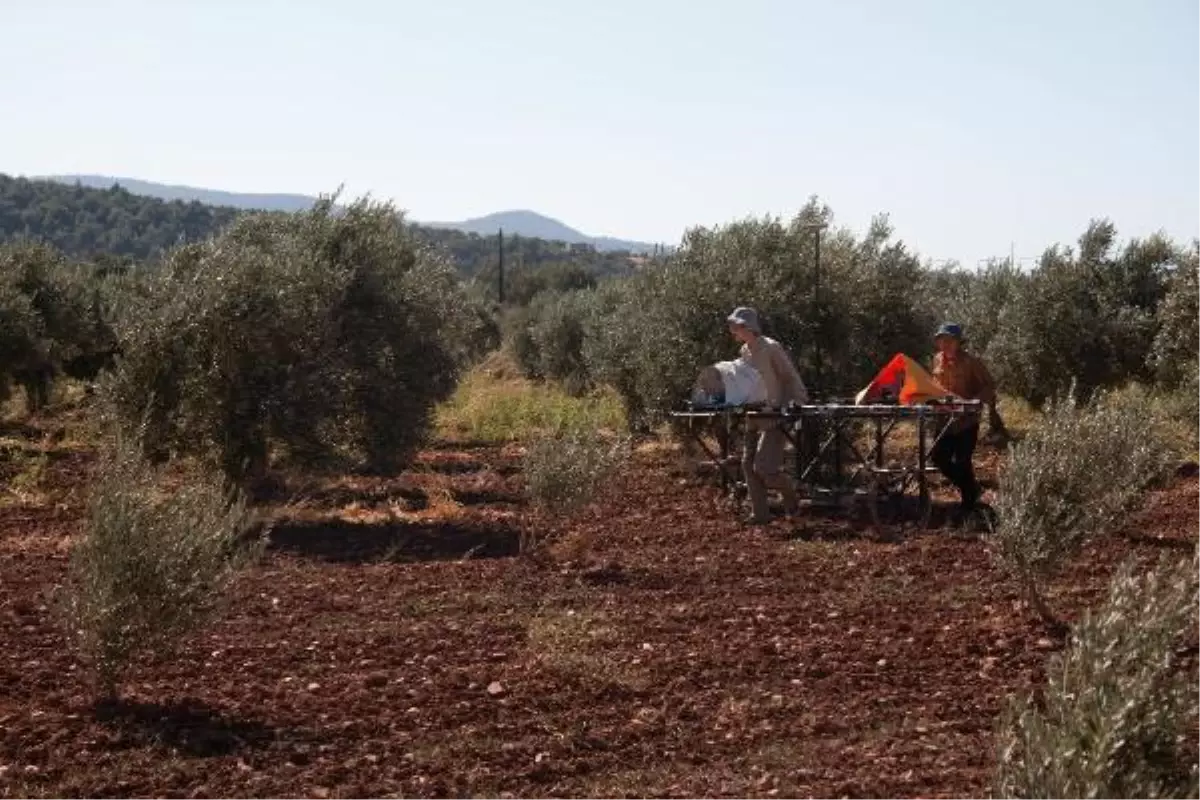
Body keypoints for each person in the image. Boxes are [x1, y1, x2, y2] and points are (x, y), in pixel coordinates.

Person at [726, 307, 809, 524]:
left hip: (774, 414)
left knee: (765, 469)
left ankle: (793, 500)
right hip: (754, 413)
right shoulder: (745, 351)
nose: (732, 330)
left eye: (735, 326)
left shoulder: (771, 348)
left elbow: (790, 376)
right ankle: (761, 515)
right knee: (747, 465)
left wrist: (797, 402)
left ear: (747, 327)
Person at [929, 322, 996, 517]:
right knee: (938, 458)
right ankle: (972, 489)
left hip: (966, 422)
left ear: (958, 342)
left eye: (950, 340)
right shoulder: (936, 361)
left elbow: (989, 385)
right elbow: (935, 386)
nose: (945, 344)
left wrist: (975, 401)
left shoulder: (970, 362)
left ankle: (969, 505)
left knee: (963, 461)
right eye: (942, 340)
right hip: (944, 421)